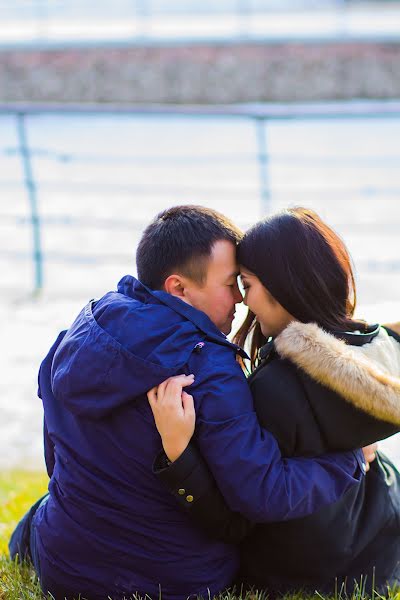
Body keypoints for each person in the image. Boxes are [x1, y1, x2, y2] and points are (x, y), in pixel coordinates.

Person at [9, 205, 367, 600]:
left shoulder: (80, 332)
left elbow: (56, 457)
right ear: (179, 288)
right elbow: (262, 491)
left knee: (49, 508)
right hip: (173, 582)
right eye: (231, 283)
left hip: (62, 568)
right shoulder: (206, 368)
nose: (240, 300)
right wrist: (348, 461)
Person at [148, 207, 400, 597]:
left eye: (245, 284)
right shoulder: (372, 354)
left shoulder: (275, 388)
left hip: (299, 565)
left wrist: (178, 453)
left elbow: (240, 510)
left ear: (284, 286)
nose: (243, 300)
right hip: (378, 544)